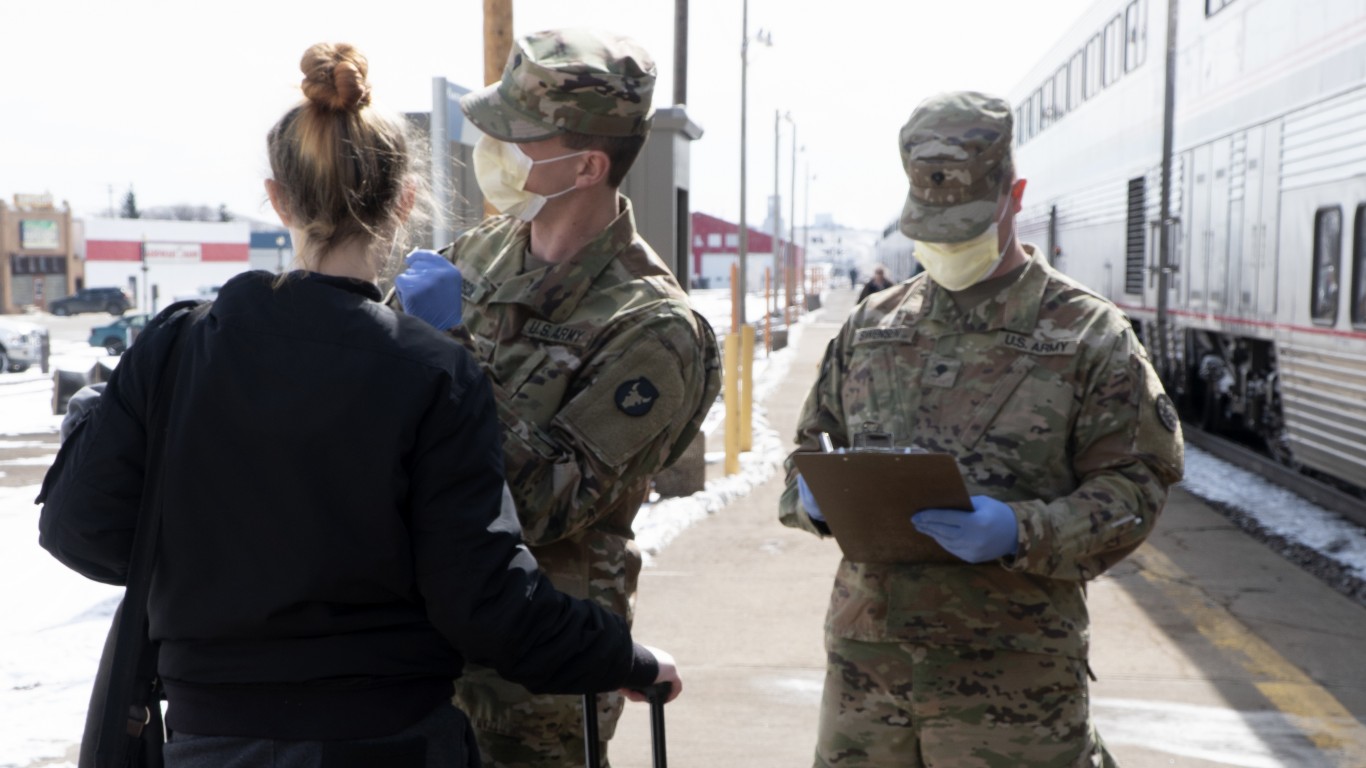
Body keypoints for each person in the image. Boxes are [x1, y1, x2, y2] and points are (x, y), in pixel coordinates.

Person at [37, 42, 678, 767]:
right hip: (386, 736)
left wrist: (213, 562)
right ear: (406, 202)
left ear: (278, 197)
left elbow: (80, 529)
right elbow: (482, 599)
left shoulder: (176, 348)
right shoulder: (434, 369)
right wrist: (620, 658)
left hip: (211, 737)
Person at [779, 91, 1184, 767]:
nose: (944, 245)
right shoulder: (871, 325)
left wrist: (1022, 530)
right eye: (930, 230)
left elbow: (1136, 489)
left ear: (1014, 195)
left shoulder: (1086, 333)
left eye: (964, 228)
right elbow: (807, 450)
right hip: (867, 679)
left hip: (1013, 690)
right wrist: (811, 497)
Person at [392, 28, 721, 768]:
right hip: (411, 644)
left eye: (516, 136)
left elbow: (540, 500)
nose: (492, 147)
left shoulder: (655, 328)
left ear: (587, 164)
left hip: (533, 681)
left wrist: (450, 353)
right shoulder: (474, 256)